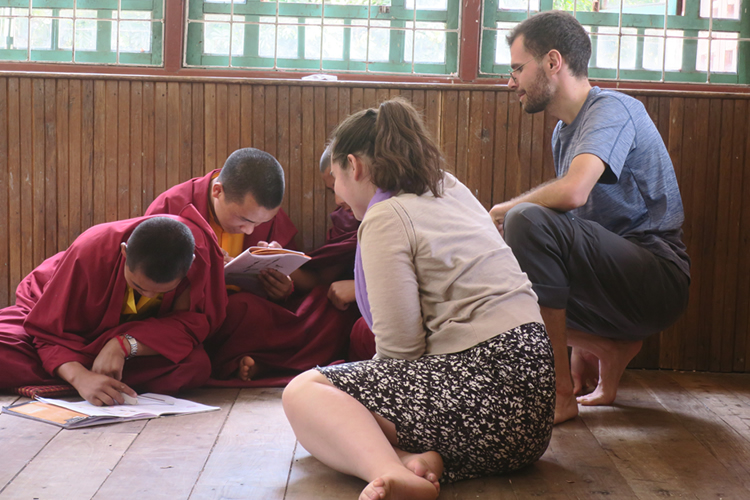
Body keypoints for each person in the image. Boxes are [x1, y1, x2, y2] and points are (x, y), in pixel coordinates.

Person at [282, 98, 555, 500]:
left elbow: (400, 352)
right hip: (530, 419)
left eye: (337, 179)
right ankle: (415, 460)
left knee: (304, 394)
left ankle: (390, 470)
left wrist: (354, 398)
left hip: (485, 390)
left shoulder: (385, 216)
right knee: (342, 417)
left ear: (354, 166)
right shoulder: (448, 185)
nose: (339, 195)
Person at [488, 11, 690, 424]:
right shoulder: (563, 132)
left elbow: (574, 192)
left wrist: (501, 210)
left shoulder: (612, 109)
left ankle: (559, 394)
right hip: (615, 280)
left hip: (658, 277)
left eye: (516, 69)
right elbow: (579, 233)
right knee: (497, 277)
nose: (511, 83)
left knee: (525, 220)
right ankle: (610, 349)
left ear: (552, 62)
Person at [0, 206, 227, 406]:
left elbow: (189, 328)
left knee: (194, 366)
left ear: (190, 268)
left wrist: (123, 345)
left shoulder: (198, 261)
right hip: (62, 325)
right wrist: (81, 377)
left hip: (128, 343)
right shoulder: (90, 250)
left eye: (162, 291)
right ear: (124, 252)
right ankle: (90, 380)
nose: (148, 295)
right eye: (138, 286)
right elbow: (47, 331)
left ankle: (90, 377)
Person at [207, 147, 363, 384]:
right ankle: (269, 364)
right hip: (214, 308)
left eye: (337, 188)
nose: (338, 201)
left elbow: (318, 281)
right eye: (331, 190)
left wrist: (282, 285)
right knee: (239, 310)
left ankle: (268, 365)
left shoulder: (383, 213)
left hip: (355, 300)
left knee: (334, 313)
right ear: (218, 191)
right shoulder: (174, 208)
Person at [145, 147, 299, 300]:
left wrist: (283, 287)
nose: (250, 231)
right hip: (189, 309)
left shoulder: (260, 209)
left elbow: (304, 278)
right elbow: (145, 277)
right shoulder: (170, 208)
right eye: (244, 220)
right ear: (217, 191)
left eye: (261, 223)